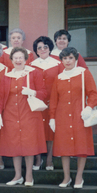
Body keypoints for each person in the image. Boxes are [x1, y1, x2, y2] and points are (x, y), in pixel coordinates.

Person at [0, 47, 47, 187]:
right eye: (15, 58)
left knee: (29, 145)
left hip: (28, 114)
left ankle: (29, 175)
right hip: (10, 115)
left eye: (20, 58)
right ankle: (18, 175)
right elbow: (0, 97)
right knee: (14, 145)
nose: (18, 60)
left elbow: (44, 93)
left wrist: (34, 92)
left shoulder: (34, 73)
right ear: (11, 60)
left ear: (26, 59)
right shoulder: (7, 76)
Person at [49, 47, 97, 188]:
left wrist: (89, 107)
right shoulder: (58, 78)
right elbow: (54, 100)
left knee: (81, 147)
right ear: (61, 61)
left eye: (70, 58)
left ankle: (79, 176)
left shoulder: (84, 74)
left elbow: (93, 94)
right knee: (64, 148)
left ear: (76, 59)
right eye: (65, 58)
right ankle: (66, 177)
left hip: (80, 115)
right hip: (62, 116)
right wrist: (52, 118)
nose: (68, 61)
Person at [29, 36, 64, 171]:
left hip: (52, 102)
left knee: (50, 131)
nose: (42, 50)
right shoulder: (31, 65)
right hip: (36, 103)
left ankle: (49, 158)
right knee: (37, 130)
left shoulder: (58, 63)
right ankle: (38, 158)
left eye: (45, 47)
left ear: (50, 49)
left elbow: (61, 83)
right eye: (39, 48)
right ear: (36, 51)